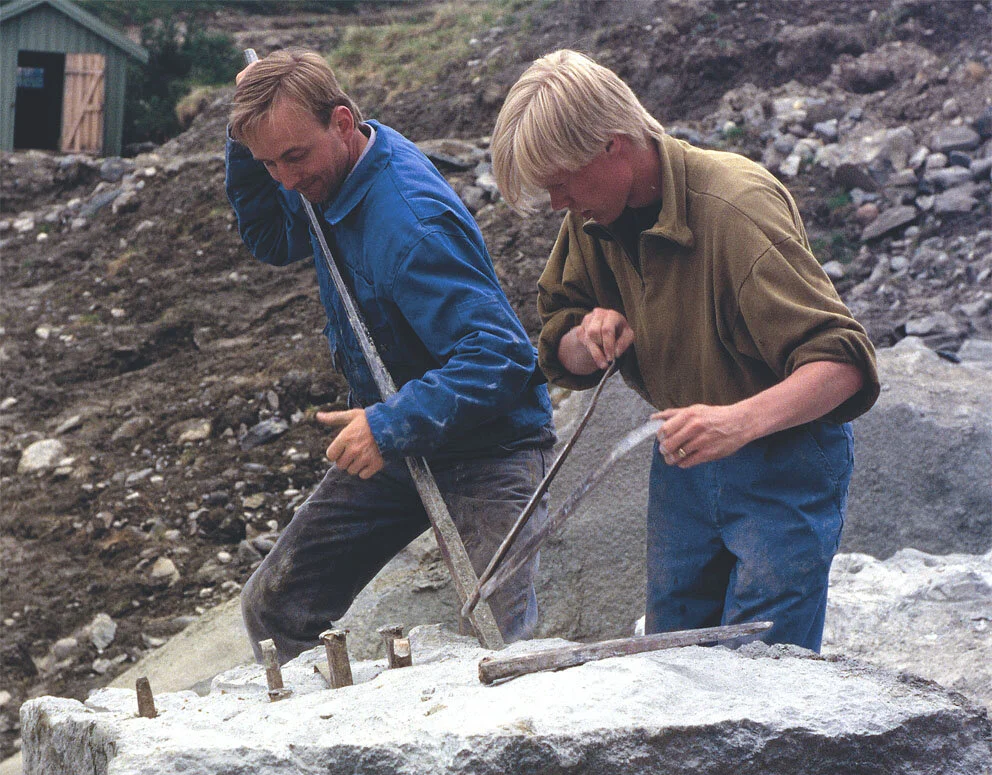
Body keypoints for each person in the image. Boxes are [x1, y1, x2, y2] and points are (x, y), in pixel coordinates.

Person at [491, 50, 879, 652]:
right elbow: (558, 340)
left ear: (612, 146)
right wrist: (587, 337)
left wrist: (737, 422)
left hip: (785, 458)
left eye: (561, 183)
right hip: (684, 457)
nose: (557, 204)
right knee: (673, 656)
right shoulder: (594, 215)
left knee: (765, 667)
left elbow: (844, 363)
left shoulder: (735, 208)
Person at [226, 49, 555, 663]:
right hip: (406, 438)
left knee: (498, 648)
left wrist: (386, 425)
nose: (286, 181)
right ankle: (328, 723)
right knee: (275, 607)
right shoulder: (328, 173)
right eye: (268, 163)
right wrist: (244, 144)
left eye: (293, 157)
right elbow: (272, 236)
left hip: (490, 446)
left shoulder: (410, 222)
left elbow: (501, 357)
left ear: (342, 122)